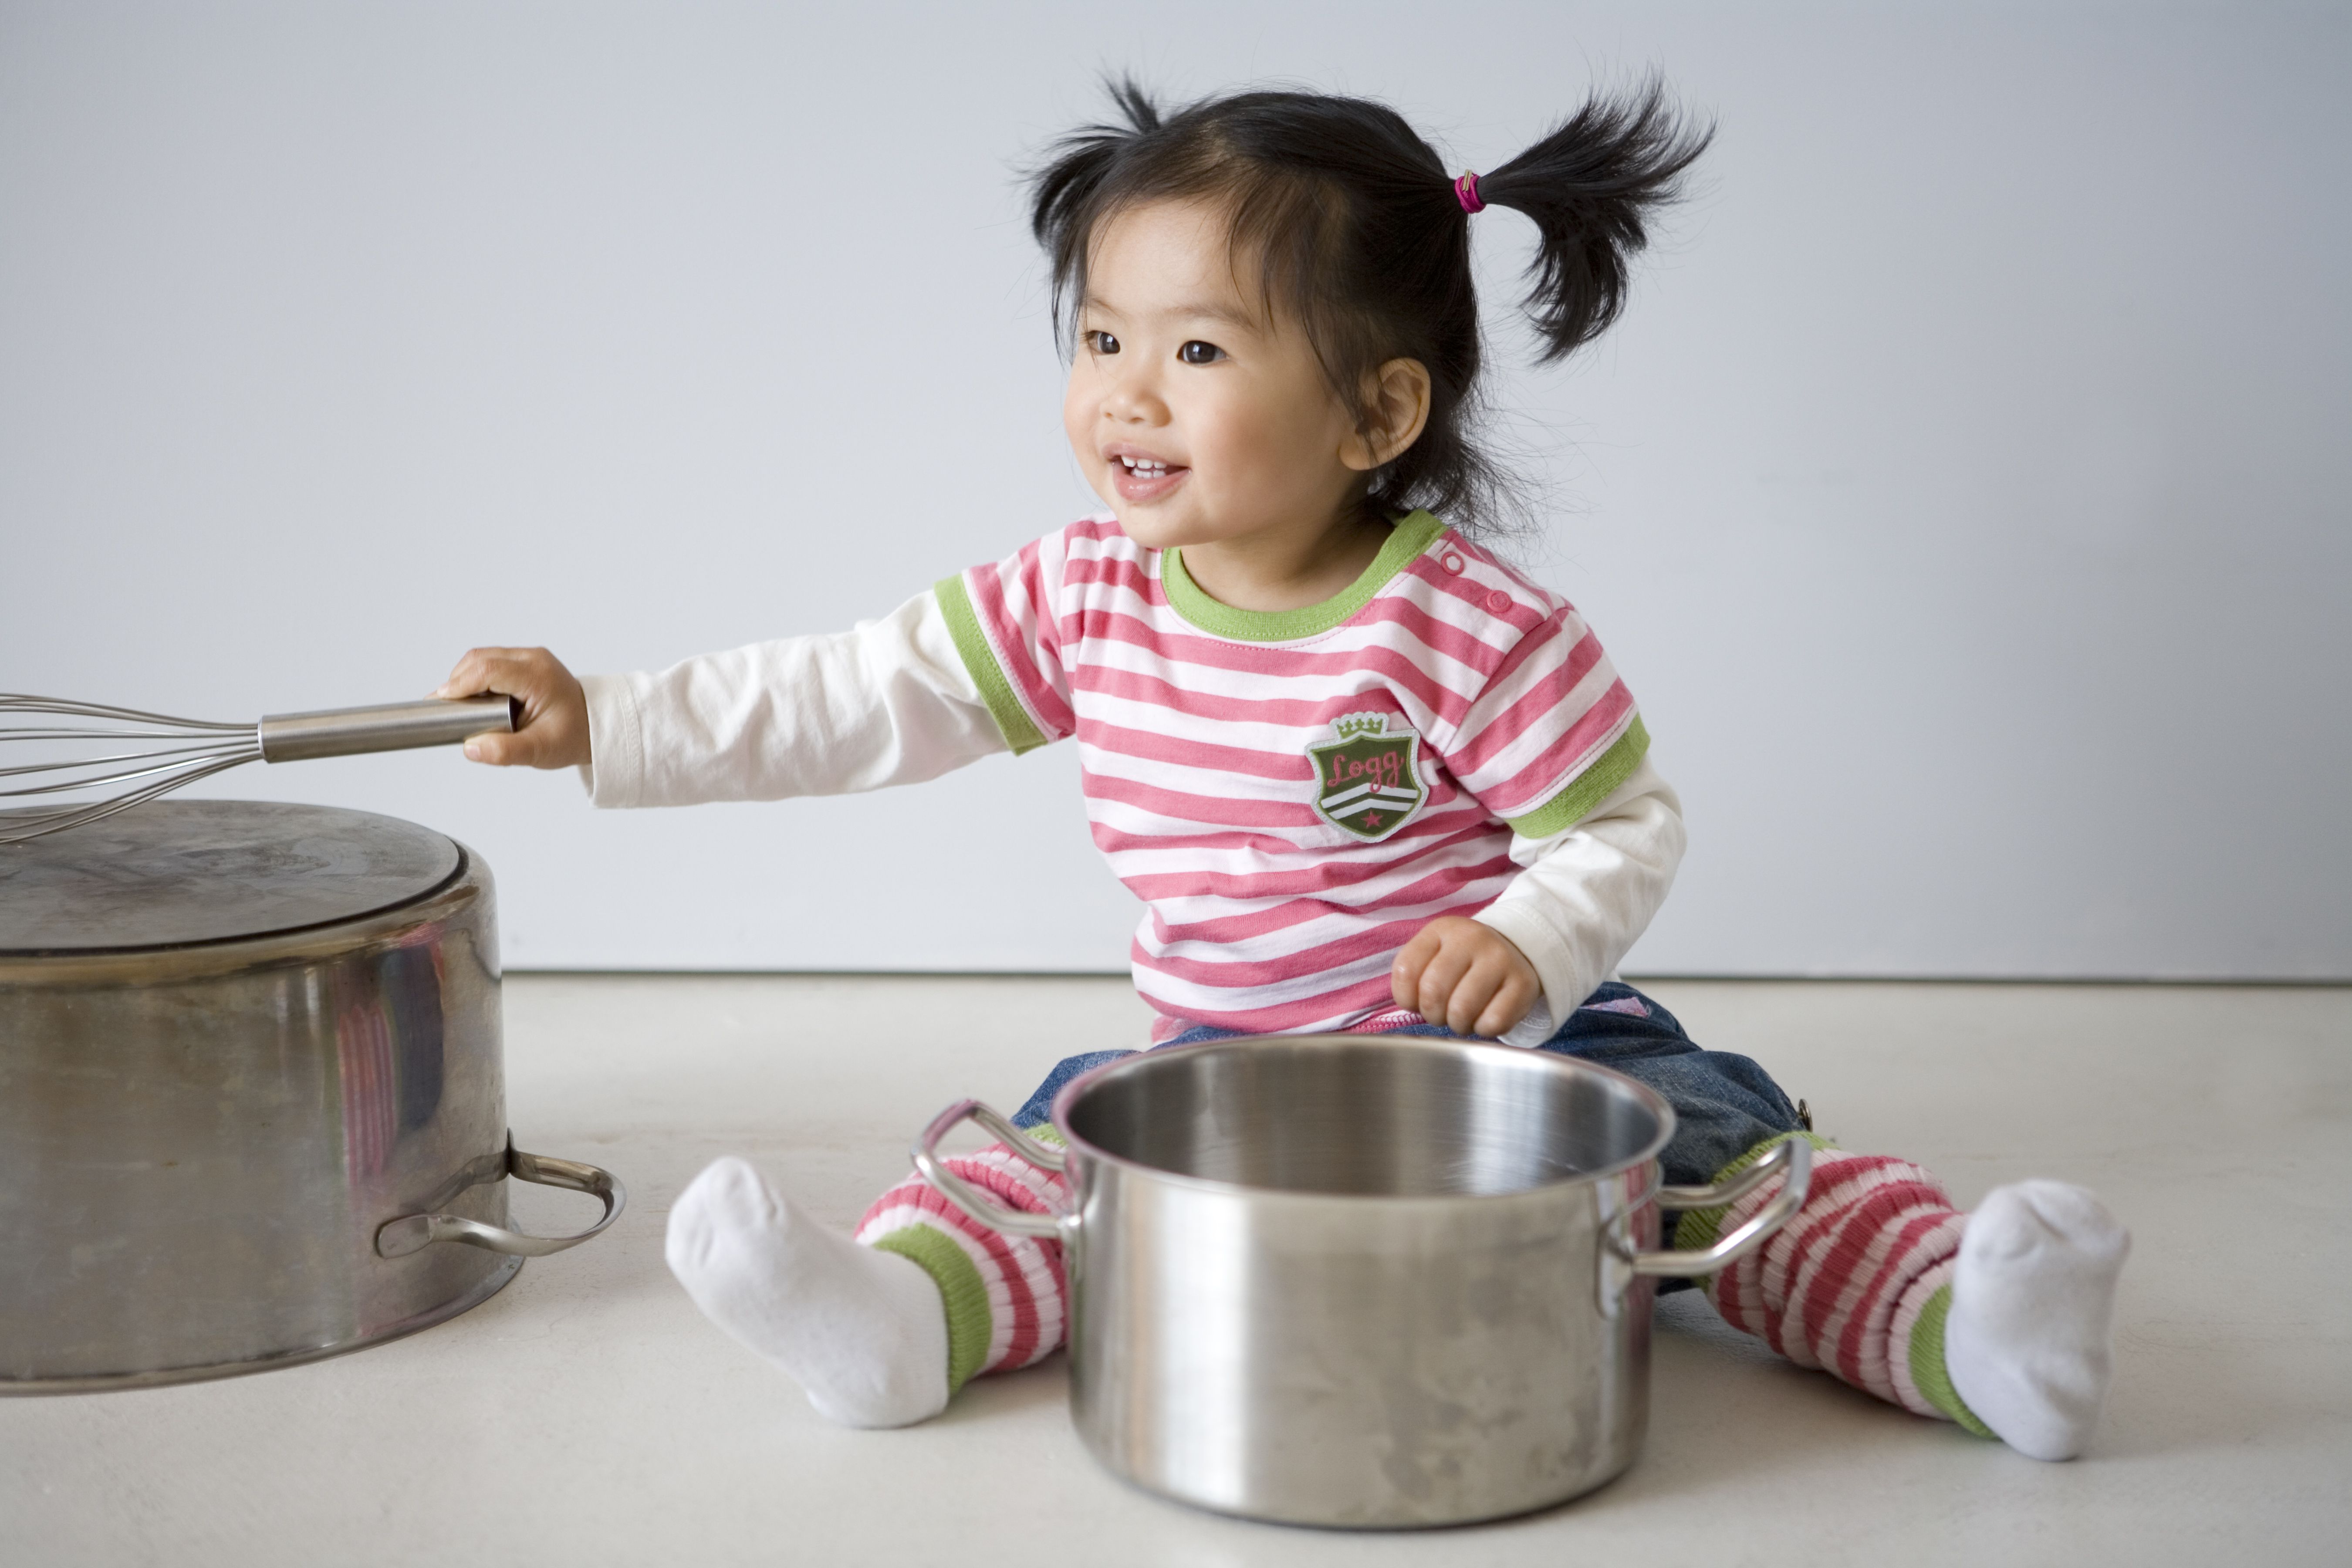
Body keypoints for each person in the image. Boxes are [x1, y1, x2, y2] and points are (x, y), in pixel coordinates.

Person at [437, 79, 2128, 1460]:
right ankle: (900, 1321)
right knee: (1055, 1158)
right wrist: (615, 717)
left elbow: (1622, 823)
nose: (1125, 397)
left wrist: (1536, 942)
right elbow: (858, 694)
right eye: (1101, 339)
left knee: (1722, 1163)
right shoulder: (1080, 596)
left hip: (1523, 1057)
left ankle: (1964, 1334)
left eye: (1198, 351)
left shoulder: (1467, 627)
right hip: (1226, 1064)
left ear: (1378, 415)